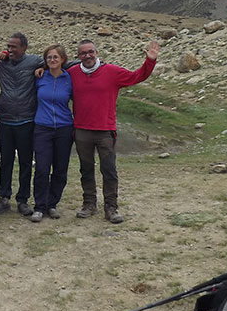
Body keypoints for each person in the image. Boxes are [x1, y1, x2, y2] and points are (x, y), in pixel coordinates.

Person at [68, 39, 160, 224]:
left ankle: (111, 207)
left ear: (97, 52)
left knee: (109, 170)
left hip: (105, 131)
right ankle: (89, 204)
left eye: (90, 52)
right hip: (81, 130)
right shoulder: (72, 73)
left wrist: (150, 61)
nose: (87, 56)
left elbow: (137, 77)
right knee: (86, 169)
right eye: (83, 53)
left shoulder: (111, 71)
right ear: (78, 57)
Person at [0, 32, 44, 217]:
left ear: (24, 48)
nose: (10, 50)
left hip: (26, 121)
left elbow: (59, 61)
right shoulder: (1, 64)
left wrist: (43, 69)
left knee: (26, 161)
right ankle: (3, 198)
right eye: (9, 46)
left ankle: (23, 200)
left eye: (14, 47)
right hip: (4, 120)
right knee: (6, 160)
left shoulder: (35, 61)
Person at [29, 45, 74, 222]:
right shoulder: (40, 77)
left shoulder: (69, 78)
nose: (52, 60)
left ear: (62, 59)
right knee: (41, 168)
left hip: (64, 128)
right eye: (49, 57)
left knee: (60, 169)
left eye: (55, 57)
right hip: (42, 127)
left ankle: (52, 204)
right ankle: (39, 206)